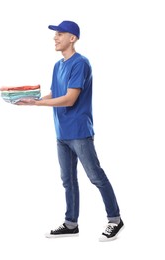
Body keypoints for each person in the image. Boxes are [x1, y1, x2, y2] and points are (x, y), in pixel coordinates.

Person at [17, 20, 124, 242]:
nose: (55, 38)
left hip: (79, 131)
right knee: (68, 180)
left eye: (60, 34)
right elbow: (55, 93)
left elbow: (69, 99)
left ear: (72, 38)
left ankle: (115, 220)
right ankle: (70, 224)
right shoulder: (58, 65)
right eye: (55, 35)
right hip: (62, 133)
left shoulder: (81, 63)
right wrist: (31, 100)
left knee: (96, 176)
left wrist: (37, 105)